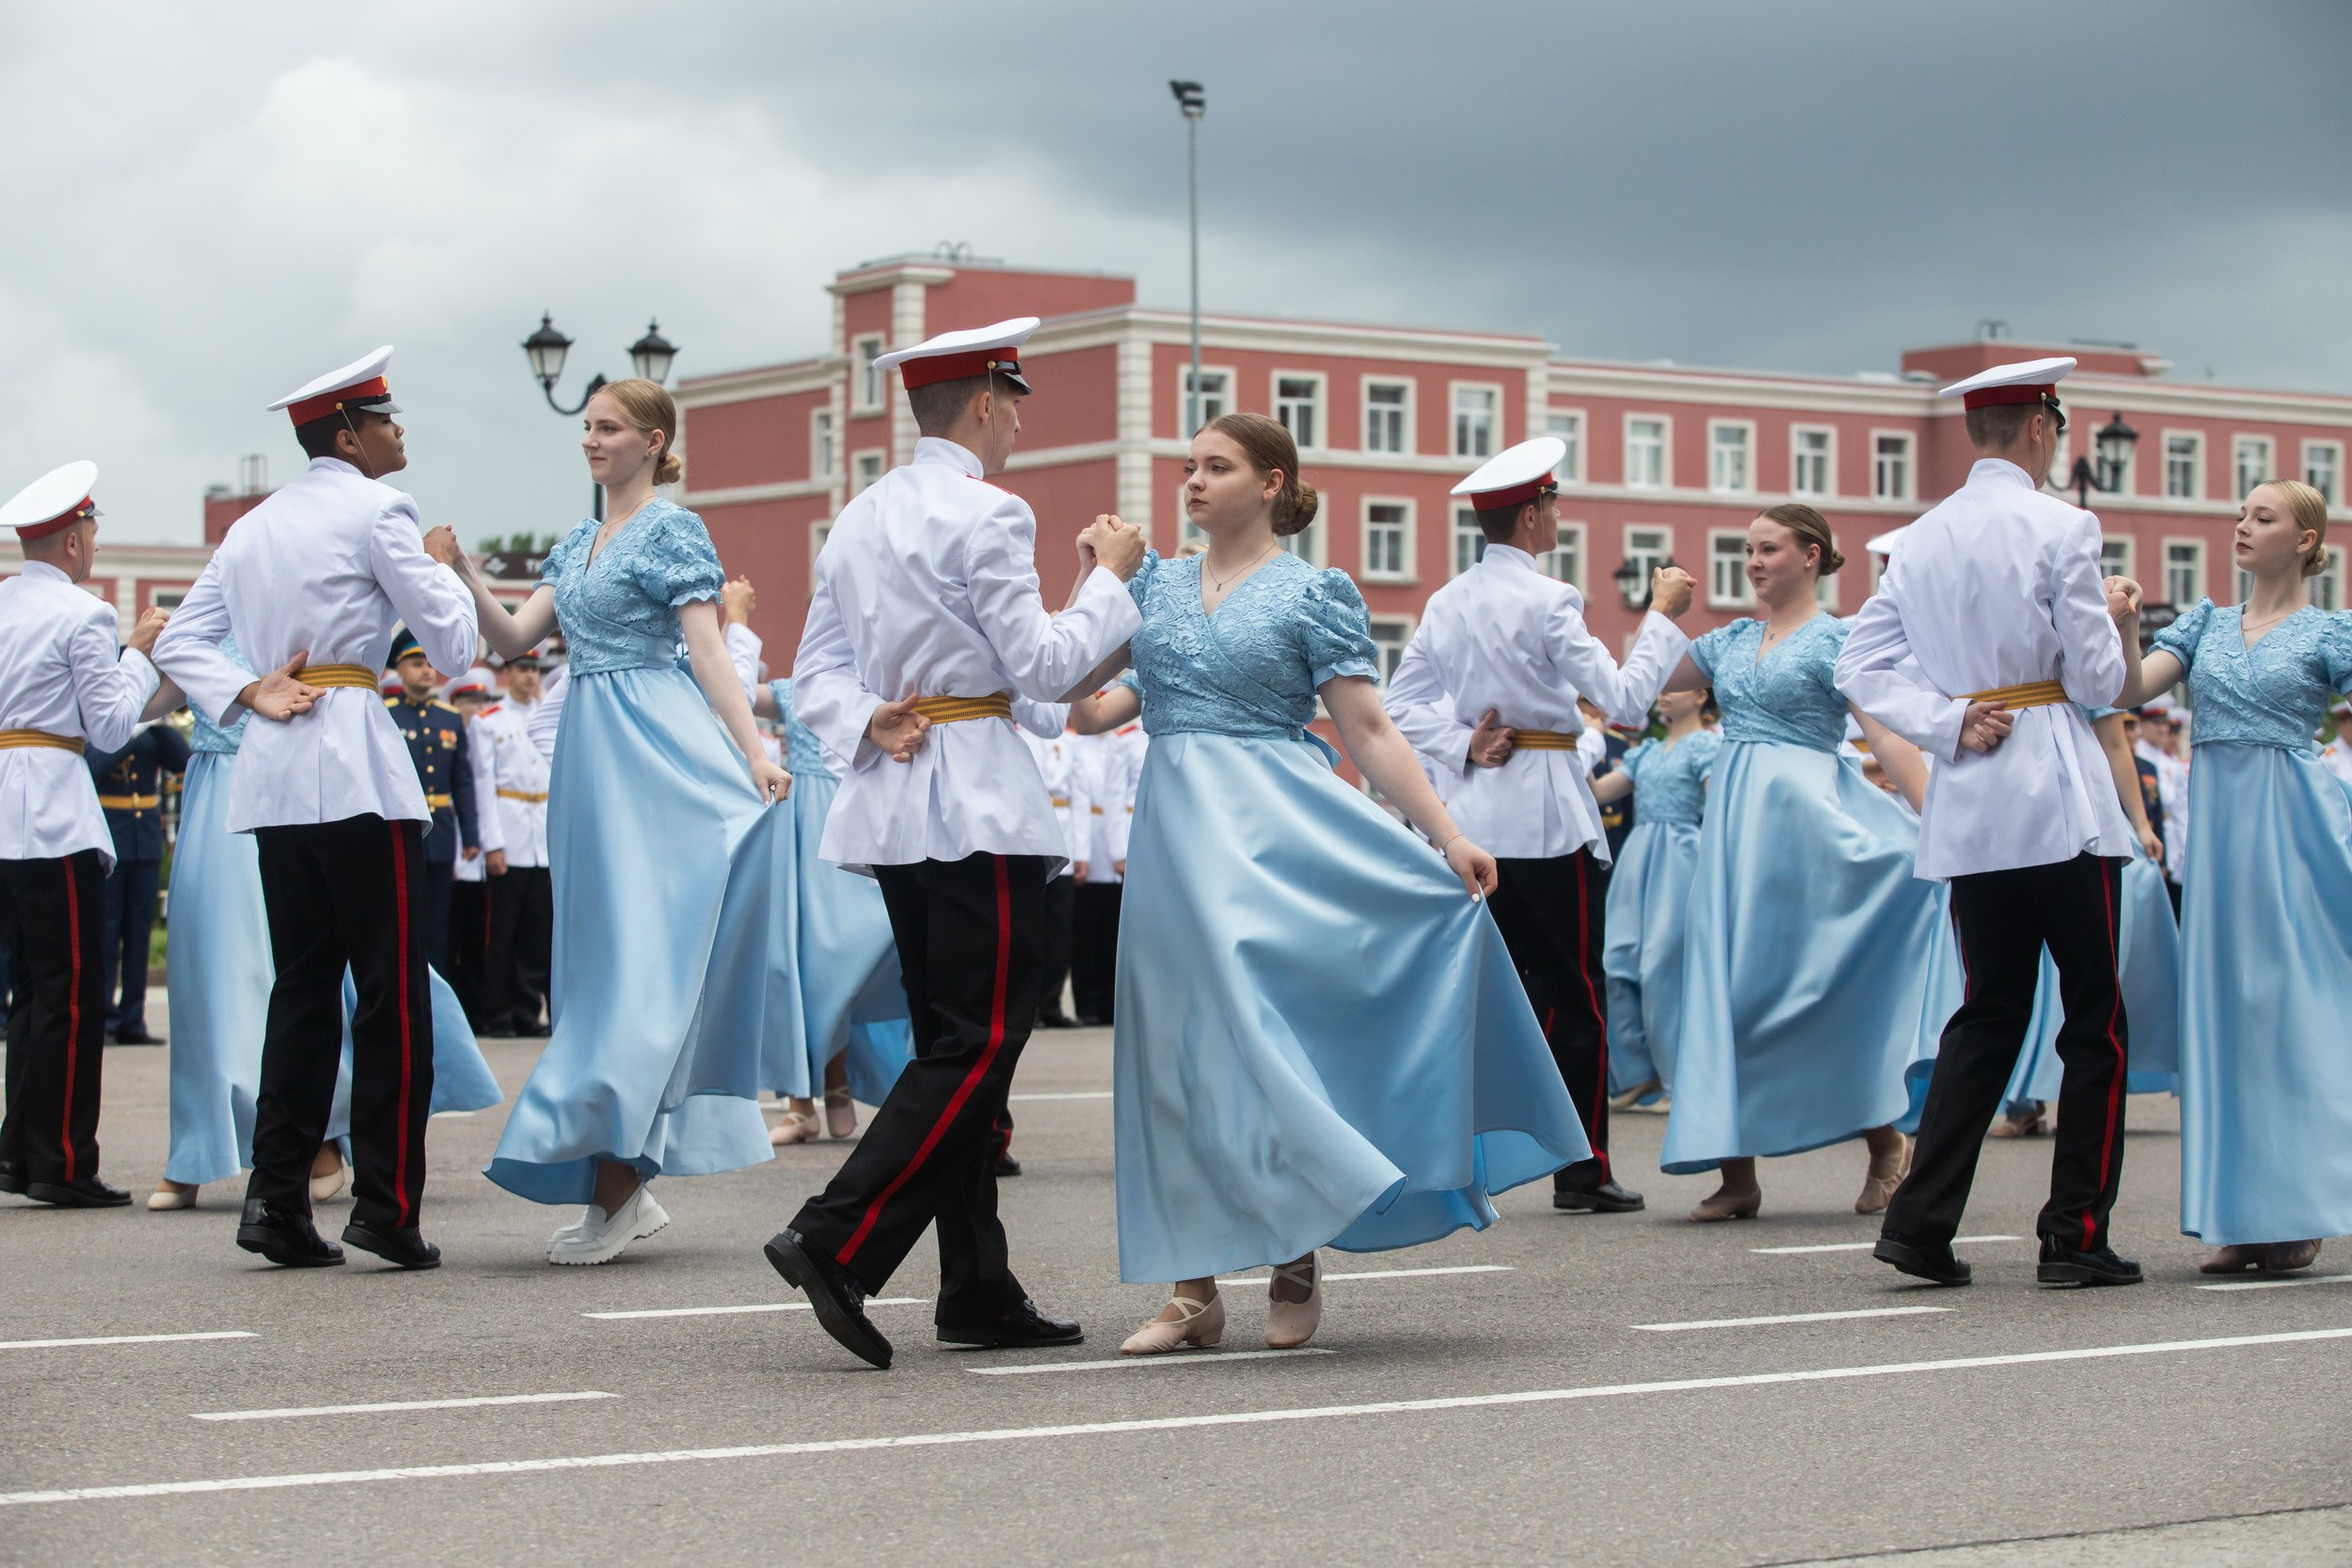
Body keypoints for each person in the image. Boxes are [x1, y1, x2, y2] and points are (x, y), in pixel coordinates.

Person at [1063, 413, 1583, 1355]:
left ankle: (1295, 1252)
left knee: (1270, 1050)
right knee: (1178, 1065)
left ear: (1271, 483)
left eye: (1215, 467)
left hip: (1280, 843)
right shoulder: (1153, 586)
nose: (1192, 481)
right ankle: (1192, 1290)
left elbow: (1370, 730)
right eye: (1188, 466)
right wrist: (1096, 580)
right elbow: (1088, 704)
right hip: (1175, 855)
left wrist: (1449, 832)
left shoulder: (1316, 592)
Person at [765, 318, 1146, 1370]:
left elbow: (818, 673)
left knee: (956, 1041)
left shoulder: (856, 517)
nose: (1018, 418)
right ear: (984, 402)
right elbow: (1044, 667)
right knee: (979, 1041)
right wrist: (1109, 576)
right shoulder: (992, 509)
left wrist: (865, 721)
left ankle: (976, 1282)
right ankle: (836, 1233)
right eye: (1014, 400)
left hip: (897, 797)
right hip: (974, 795)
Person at [445, 378, 792, 1264]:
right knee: (599, 959)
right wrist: (463, 573)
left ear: (652, 441)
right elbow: (516, 639)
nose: (592, 440)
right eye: (588, 428)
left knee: (641, 956)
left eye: (608, 428)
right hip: (590, 754)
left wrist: (751, 748)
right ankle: (619, 1179)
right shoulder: (575, 541)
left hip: (657, 740)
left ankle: (621, 1179)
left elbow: (708, 648)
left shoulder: (673, 527)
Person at [155, 347, 477, 1271]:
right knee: (390, 994)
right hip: (356, 761)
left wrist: (250, 689)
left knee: (301, 989)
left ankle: (275, 1200)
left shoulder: (254, 527)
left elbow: (182, 638)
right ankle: (387, 1205)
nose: (399, 429)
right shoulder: (381, 509)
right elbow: (451, 642)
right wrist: (440, 567)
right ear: (348, 432)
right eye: (386, 418)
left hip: (276, 768)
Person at [1836, 356, 2145, 1290]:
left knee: (1986, 1012)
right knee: (2093, 1014)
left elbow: (1860, 662)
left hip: (1974, 799)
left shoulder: (1922, 537)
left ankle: (1921, 1221)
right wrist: (2115, 622)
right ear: (2042, 426)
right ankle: (2073, 1228)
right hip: (2057, 795)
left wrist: (1946, 715)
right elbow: (2099, 683)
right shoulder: (2064, 523)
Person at [1385, 435, 1695, 1216]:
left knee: (1477, 997)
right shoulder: (1550, 598)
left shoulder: (1446, 600)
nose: (1557, 515)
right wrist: (1660, 614)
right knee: (1574, 995)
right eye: (1552, 504)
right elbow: (1624, 700)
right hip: (1550, 819)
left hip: (1473, 820)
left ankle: (1450, 1159)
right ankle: (1582, 1167)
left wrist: (1464, 744)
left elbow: (1399, 707)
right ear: (1532, 516)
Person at [1657, 502, 1942, 1222]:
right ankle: (1737, 1175)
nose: (1753, 562)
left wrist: (1940, 818)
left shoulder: (1838, 639)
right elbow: (1642, 682)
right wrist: (1662, 610)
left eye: (1769, 549)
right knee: (1730, 988)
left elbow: (1885, 732)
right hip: (1735, 836)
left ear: (1813, 555)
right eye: (1748, 550)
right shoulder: (1727, 641)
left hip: (1811, 835)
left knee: (1806, 991)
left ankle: (1885, 1141)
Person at [150, 637, 501, 1211]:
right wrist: (143, 654)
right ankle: (196, 1147)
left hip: (289, 776)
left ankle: (321, 1136)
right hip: (215, 791)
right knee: (209, 972)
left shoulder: (295, 600)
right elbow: (135, 707)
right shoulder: (212, 607)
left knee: (296, 967)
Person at [2114, 480, 2352, 1275]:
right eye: (2241, 514)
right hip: (2218, 848)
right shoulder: (2204, 622)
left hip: (2298, 836)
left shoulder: (2331, 632)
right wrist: (2119, 628)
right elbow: (2124, 691)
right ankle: (2244, 1213)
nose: (2242, 525)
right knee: (2227, 1019)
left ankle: (2297, 1206)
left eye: (2264, 517)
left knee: (2292, 1013)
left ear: (2308, 542)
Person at [0, 461, 173, 1207]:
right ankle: (63, 1160)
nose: (95, 545)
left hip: (8, 805)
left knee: (28, 995)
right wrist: (137, 653)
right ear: (72, 541)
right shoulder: (85, 612)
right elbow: (106, 725)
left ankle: (18, 1149)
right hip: (52, 809)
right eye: (93, 531)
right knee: (71, 995)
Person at [718, 585, 914, 1148]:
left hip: (861, 828)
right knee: (797, 964)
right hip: (804, 830)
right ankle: (808, 1100)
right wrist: (737, 623)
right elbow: (727, 692)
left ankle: (835, 1086)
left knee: (850, 954)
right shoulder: (798, 691)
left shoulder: (885, 689)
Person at [1991, 707, 2180, 1138]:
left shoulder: (2085, 653)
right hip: (2012, 823)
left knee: (2082, 981)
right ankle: (2024, 1097)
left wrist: (2143, 825)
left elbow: (2115, 745)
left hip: (2086, 828)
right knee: (2017, 979)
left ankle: (2064, 1102)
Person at [1591, 686, 1721, 1107]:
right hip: (1639, 857)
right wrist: (1571, 744)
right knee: (1617, 959)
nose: (1663, 694)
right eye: (1661, 687)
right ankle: (1636, 1072)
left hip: (1683, 856)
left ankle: (1676, 1079)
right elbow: (1597, 793)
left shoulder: (1708, 745)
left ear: (1702, 697)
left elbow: (1718, 806)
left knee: (1665, 964)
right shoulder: (1647, 751)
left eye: (1676, 687)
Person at [85, 715, 189, 1044]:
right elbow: (93, 766)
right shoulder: (100, 725)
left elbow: (181, 760)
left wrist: (159, 723)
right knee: (106, 933)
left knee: (138, 935)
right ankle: (103, 1017)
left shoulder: (152, 733)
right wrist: (130, 731)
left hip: (143, 839)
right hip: (111, 833)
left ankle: (133, 1019)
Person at [384, 630, 479, 969]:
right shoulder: (386, 714)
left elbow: (462, 781)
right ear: (399, 668)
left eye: (429, 663)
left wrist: (470, 835)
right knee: (397, 922)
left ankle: (437, 1007)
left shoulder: (449, 718)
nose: (425, 670)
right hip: (398, 828)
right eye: (415, 663)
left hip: (440, 833)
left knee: (437, 926)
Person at [478, 647, 552, 1036]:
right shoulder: (490, 720)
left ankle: (527, 1012)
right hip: (508, 832)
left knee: (536, 934)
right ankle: (497, 1012)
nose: (530, 677)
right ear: (508, 673)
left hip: (541, 833)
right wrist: (492, 843)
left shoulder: (547, 715)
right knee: (501, 934)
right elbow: (482, 785)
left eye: (535, 671)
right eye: (523, 669)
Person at [438, 666, 503, 1025]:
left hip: (477, 852)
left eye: (482, 702)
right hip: (449, 846)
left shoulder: (483, 740)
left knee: (479, 934)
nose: (476, 709)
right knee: (448, 933)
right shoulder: (440, 737)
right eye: (468, 702)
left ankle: (476, 1006)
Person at [1022, 711, 1090, 1030]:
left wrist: (1082, 853)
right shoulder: (1018, 733)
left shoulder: (1070, 741)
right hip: (1029, 838)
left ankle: (1050, 1003)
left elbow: (1081, 798)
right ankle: (1026, 1007)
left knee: (1059, 931)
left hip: (1063, 835)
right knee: (1028, 930)